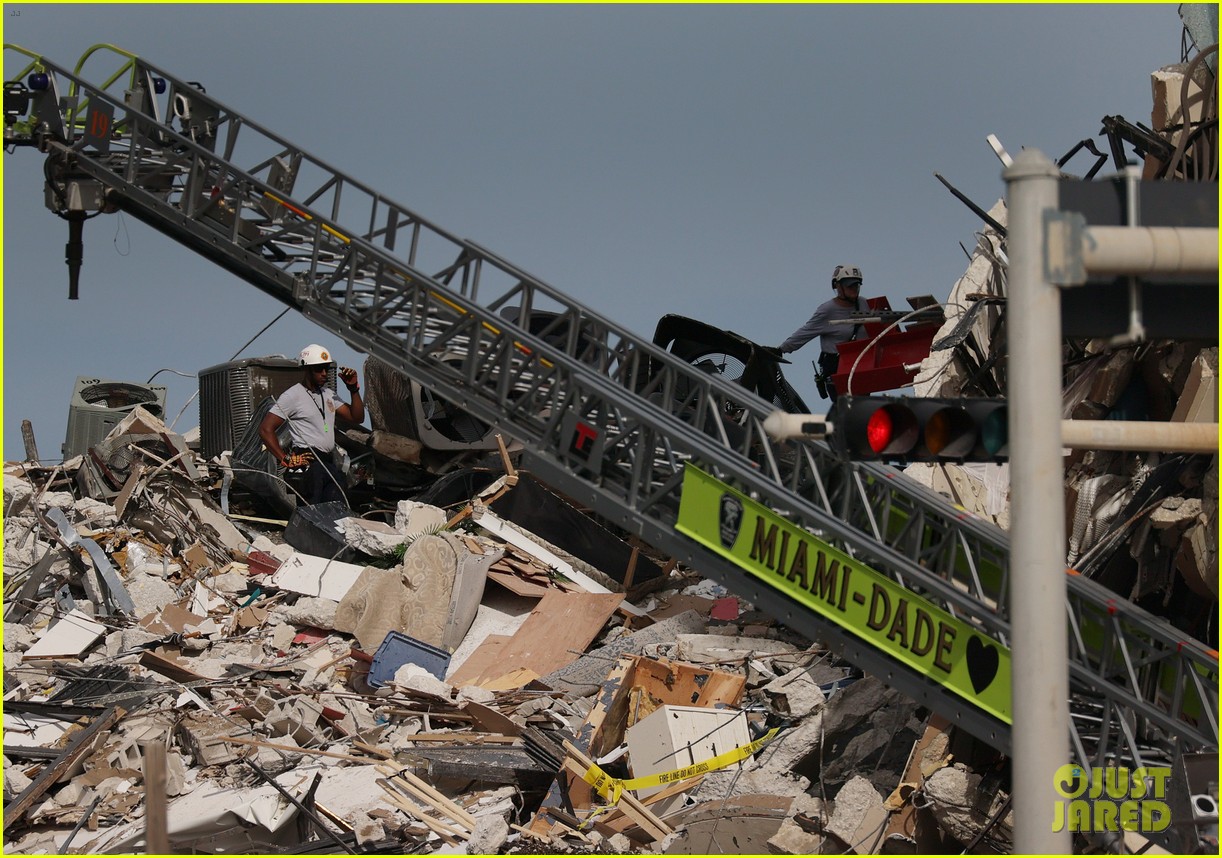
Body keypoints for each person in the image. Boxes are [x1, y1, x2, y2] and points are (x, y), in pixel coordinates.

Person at [259, 343, 365, 505]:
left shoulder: (328, 394)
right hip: (308, 460)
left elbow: (356, 417)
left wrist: (353, 389)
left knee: (337, 507)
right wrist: (285, 459)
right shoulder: (292, 396)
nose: (324, 373)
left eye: (326, 369)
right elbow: (266, 429)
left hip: (329, 462)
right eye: (318, 369)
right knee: (314, 510)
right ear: (306, 369)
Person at [777, 264, 869, 401]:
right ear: (838, 286)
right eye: (850, 285)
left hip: (860, 367)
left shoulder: (864, 304)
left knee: (863, 409)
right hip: (837, 369)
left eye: (857, 285)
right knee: (846, 409)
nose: (854, 289)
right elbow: (806, 332)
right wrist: (781, 349)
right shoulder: (828, 310)